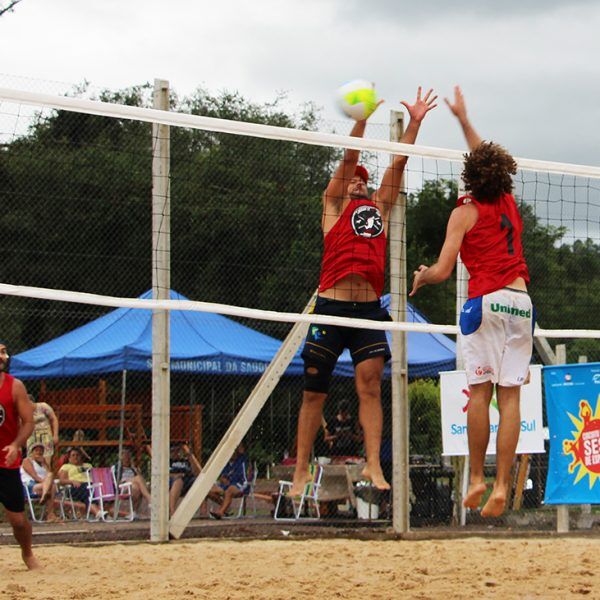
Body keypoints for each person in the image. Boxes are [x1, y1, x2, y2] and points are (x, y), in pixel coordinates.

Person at [289, 87, 437, 495]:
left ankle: (373, 465)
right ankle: (301, 469)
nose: (357, 183)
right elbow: (350, 157)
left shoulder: (379, 210)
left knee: (370, 386)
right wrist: (362, 117)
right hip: (331, 307)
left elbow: (399, 163)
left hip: (369, 310)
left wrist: (416, 121)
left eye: (362, 182)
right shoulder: (332, 207)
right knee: (314, 391)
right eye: (351, 181)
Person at [410, 86, 532, 517]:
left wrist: (424, 277)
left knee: (479, 393)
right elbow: (485, 156)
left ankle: (478, 477)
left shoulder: (463, 213)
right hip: (522, 304)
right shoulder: (508, 202)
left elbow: (444, 271)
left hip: (486, 301)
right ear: (502, 176)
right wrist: (464, 120)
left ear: (469, 177)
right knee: (511, 397)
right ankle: (502, 485)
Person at [0, 341, 42, 569]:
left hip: (5, 460)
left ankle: (27, 553)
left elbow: (28, 422)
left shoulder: (14, 386)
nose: (3, 356)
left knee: (17, 520)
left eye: (4, 352)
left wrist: (16, 445)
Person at [58, 447, 103, 518]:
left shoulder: (88, 465)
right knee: (88, 490)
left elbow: (95, 476)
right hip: (75, 487)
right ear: (69, 458)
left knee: (98, 489)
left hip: (91, 485)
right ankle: (98, 511)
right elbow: (61, 480)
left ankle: (99, 512)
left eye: (77, 455)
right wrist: (72, 481)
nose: (76, 457)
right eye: (73, 455)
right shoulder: (66, 467)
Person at [20, 442, 61, 522]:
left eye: (41, 450)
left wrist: (44, 463)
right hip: (30, 486)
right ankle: (50, 514)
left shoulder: (43, 463)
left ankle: (45, 497)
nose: (39, 452)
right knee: (50, 483)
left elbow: (50, 476)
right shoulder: (27, 461)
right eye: (36, 450)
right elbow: (34, 476)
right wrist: (46, 483)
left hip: (42, 487)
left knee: (50, 478)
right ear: (31, 452)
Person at [208, 442, 250, 519]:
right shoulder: (226, 464)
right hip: (227, 485)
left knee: (230, 490)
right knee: (209, 491)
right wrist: (222, 479)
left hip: (240, 484)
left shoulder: (241, 459)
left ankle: (221, 512)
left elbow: (241, 448)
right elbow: (222, 477)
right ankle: (225, 507)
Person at [113, 448, 151, 517]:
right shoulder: (116, 467)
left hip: (132, 486)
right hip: (122, 486)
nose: (127, 458)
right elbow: (115, 481)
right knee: (138, 478)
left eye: (128, 456)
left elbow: (140, 479)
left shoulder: (132, 468)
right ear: (121, 457)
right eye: (125, 456)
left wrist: (135, 468)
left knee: (137, 488)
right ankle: (149, 498)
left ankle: (133, 512)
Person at [168, 443, 201, 516]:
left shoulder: (185, 460)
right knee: (178, 480)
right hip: (174, 482)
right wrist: (177, 475)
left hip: (188, 481)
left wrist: (189, 455)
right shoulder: (168, 462)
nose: (176, 453)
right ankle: (172, 512)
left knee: (201, 481)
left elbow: (199, 472)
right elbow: (162, 474)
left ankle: (224, 506)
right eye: (173, 451)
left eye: (178, 450)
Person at [26, 394, 59, 464]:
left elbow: (54, 419)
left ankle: (46, 473)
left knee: (46, 460)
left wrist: (55, 435)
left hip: (45, 435)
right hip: (32, 436)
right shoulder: (23, 411)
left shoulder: (43, 406)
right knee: (31, 460)